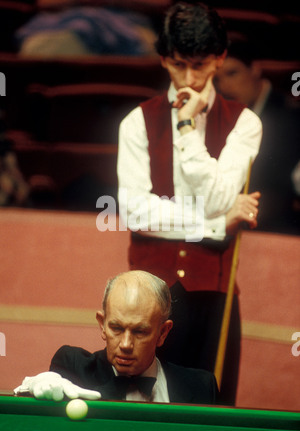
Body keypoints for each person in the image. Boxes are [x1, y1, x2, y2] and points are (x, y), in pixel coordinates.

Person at [117, 2, 262, 405]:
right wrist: (216, 224)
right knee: (142, 410)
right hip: (147, 298)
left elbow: (216, 195)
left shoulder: (246, 122)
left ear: (219, 59)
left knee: (210, 412)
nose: (190, 79)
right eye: (179, 64)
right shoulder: (136, 122)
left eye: (200, 65)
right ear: (164, 59)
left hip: (213, 298)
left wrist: (185, 126)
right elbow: (136, 212)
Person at [14, 270, 219, 404]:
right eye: (116, 328)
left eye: (140, 331)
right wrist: (35, 384)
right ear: (102, 324)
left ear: (163, 332)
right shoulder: (73, 367)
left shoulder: (201, 386)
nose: (126, 344)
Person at [214, 36, 300, 235]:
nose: (225, 86)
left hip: (274, 227)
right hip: (228, 222)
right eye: (218, 79)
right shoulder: (220, 113)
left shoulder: (291, 116)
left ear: (255, 69)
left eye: (232, 73)